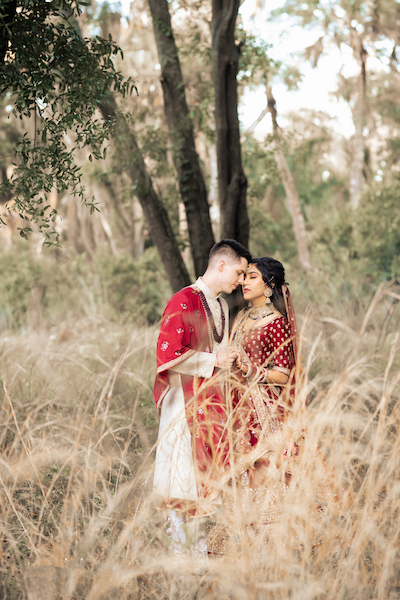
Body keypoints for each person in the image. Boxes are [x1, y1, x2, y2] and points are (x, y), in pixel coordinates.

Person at [153, 239, 252, 554]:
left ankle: (198, 552)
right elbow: (167, 354)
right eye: (239, 272)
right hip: (183, 405)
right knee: (182, 478)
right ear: (221, 265)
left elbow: (218, 352)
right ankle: (178, 556)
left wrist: (231, 360)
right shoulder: (183, 300)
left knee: (204, 479)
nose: (240, 281)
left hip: (211, 403)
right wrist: (214, 362)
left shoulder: (221, 305)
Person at [226, 257, 300, 535]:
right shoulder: (242, 317)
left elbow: (282, 374)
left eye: (252, 277)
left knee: (263, 466)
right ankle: (244, 531)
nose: (244, 281)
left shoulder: (277, 323)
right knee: (239, 468)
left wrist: (249, 369)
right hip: (236, 402)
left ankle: (270, 537)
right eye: (244, 276)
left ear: (269, 285)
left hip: (263, 407)